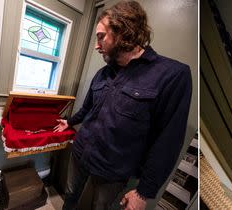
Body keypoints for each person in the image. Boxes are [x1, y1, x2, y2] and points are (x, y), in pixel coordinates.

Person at [53, 1, 192, 210]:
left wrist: (144, 192)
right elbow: (87, 108)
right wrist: (69, 122)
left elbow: (168, 141)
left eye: (101, 36)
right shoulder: (103, 73)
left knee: (100, 207)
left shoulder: (172, 75)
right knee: (70, 194)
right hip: (81, 151)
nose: (96, 45)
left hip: (114, 170)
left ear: (124, 32)